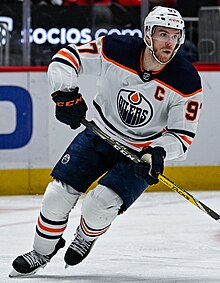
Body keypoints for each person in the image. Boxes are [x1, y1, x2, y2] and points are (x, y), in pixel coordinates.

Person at [9, 6, 203, 277]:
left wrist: (158, 152)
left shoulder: (186, 80)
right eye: (163, 34)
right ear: (148, 35)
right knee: (57, 195)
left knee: (99, 204)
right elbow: (66, 58)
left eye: (175, 36)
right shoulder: (116, 48)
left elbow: (182, 137)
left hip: (139, 154)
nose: (170, 43)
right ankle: (41, 252)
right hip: (99, 134)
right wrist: (64, 94)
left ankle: (86, 236)